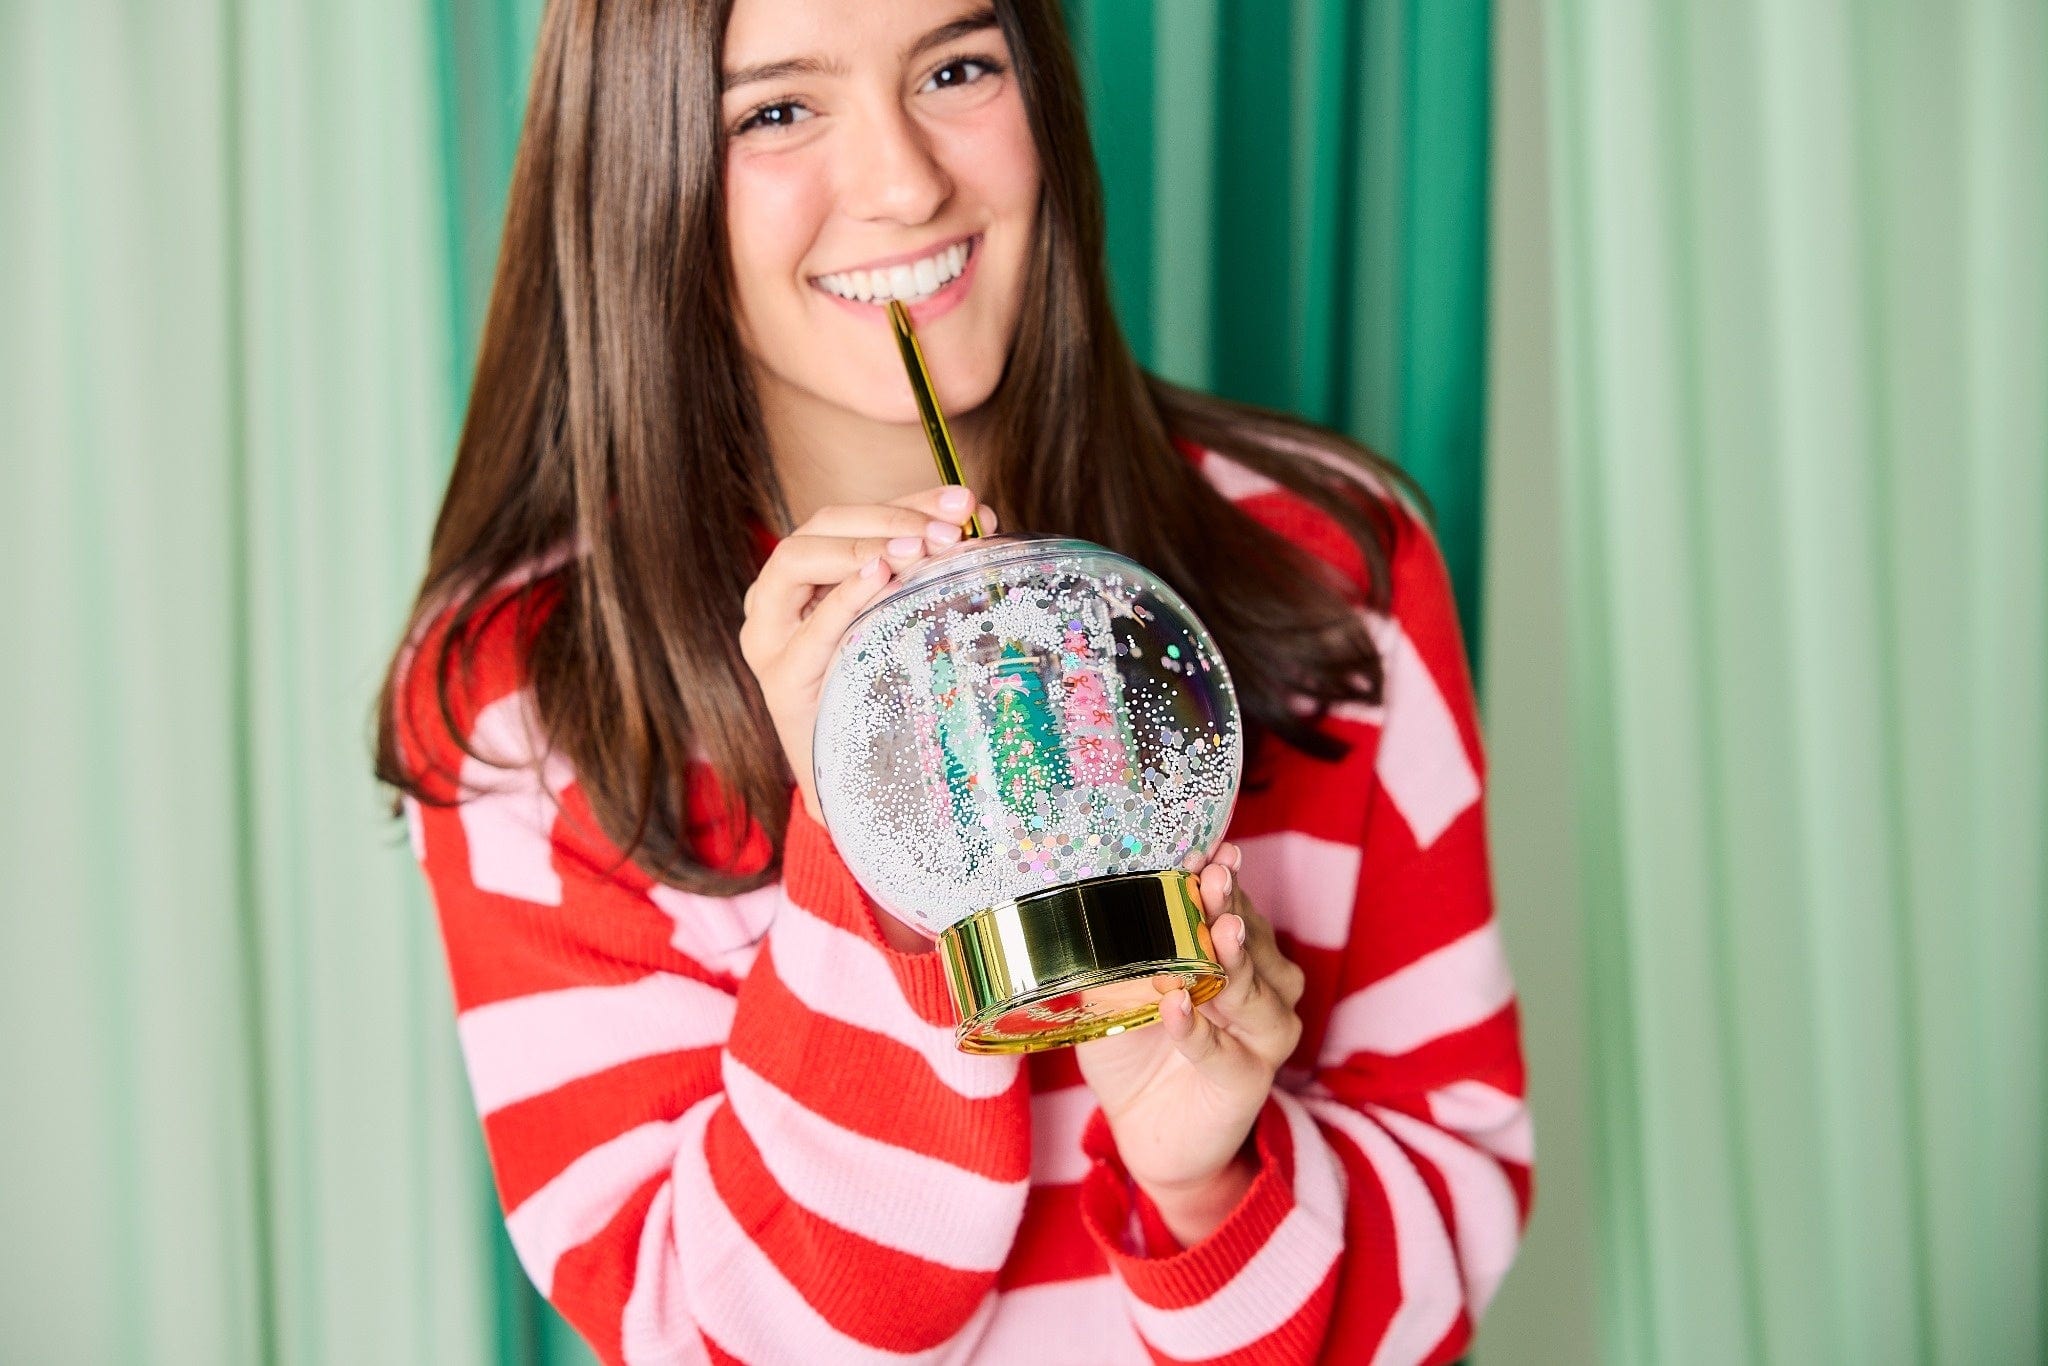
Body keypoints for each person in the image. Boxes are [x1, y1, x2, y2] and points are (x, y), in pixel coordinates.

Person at [375, 0, 1530, 1361]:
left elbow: (1450, 1240)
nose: (906, 182)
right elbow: (719, 1338)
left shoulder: (1331, 567)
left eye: (958, 67)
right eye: (777, 110)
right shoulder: (523, 697)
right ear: (642, 173)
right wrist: (865, 834)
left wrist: (1205, 1180)